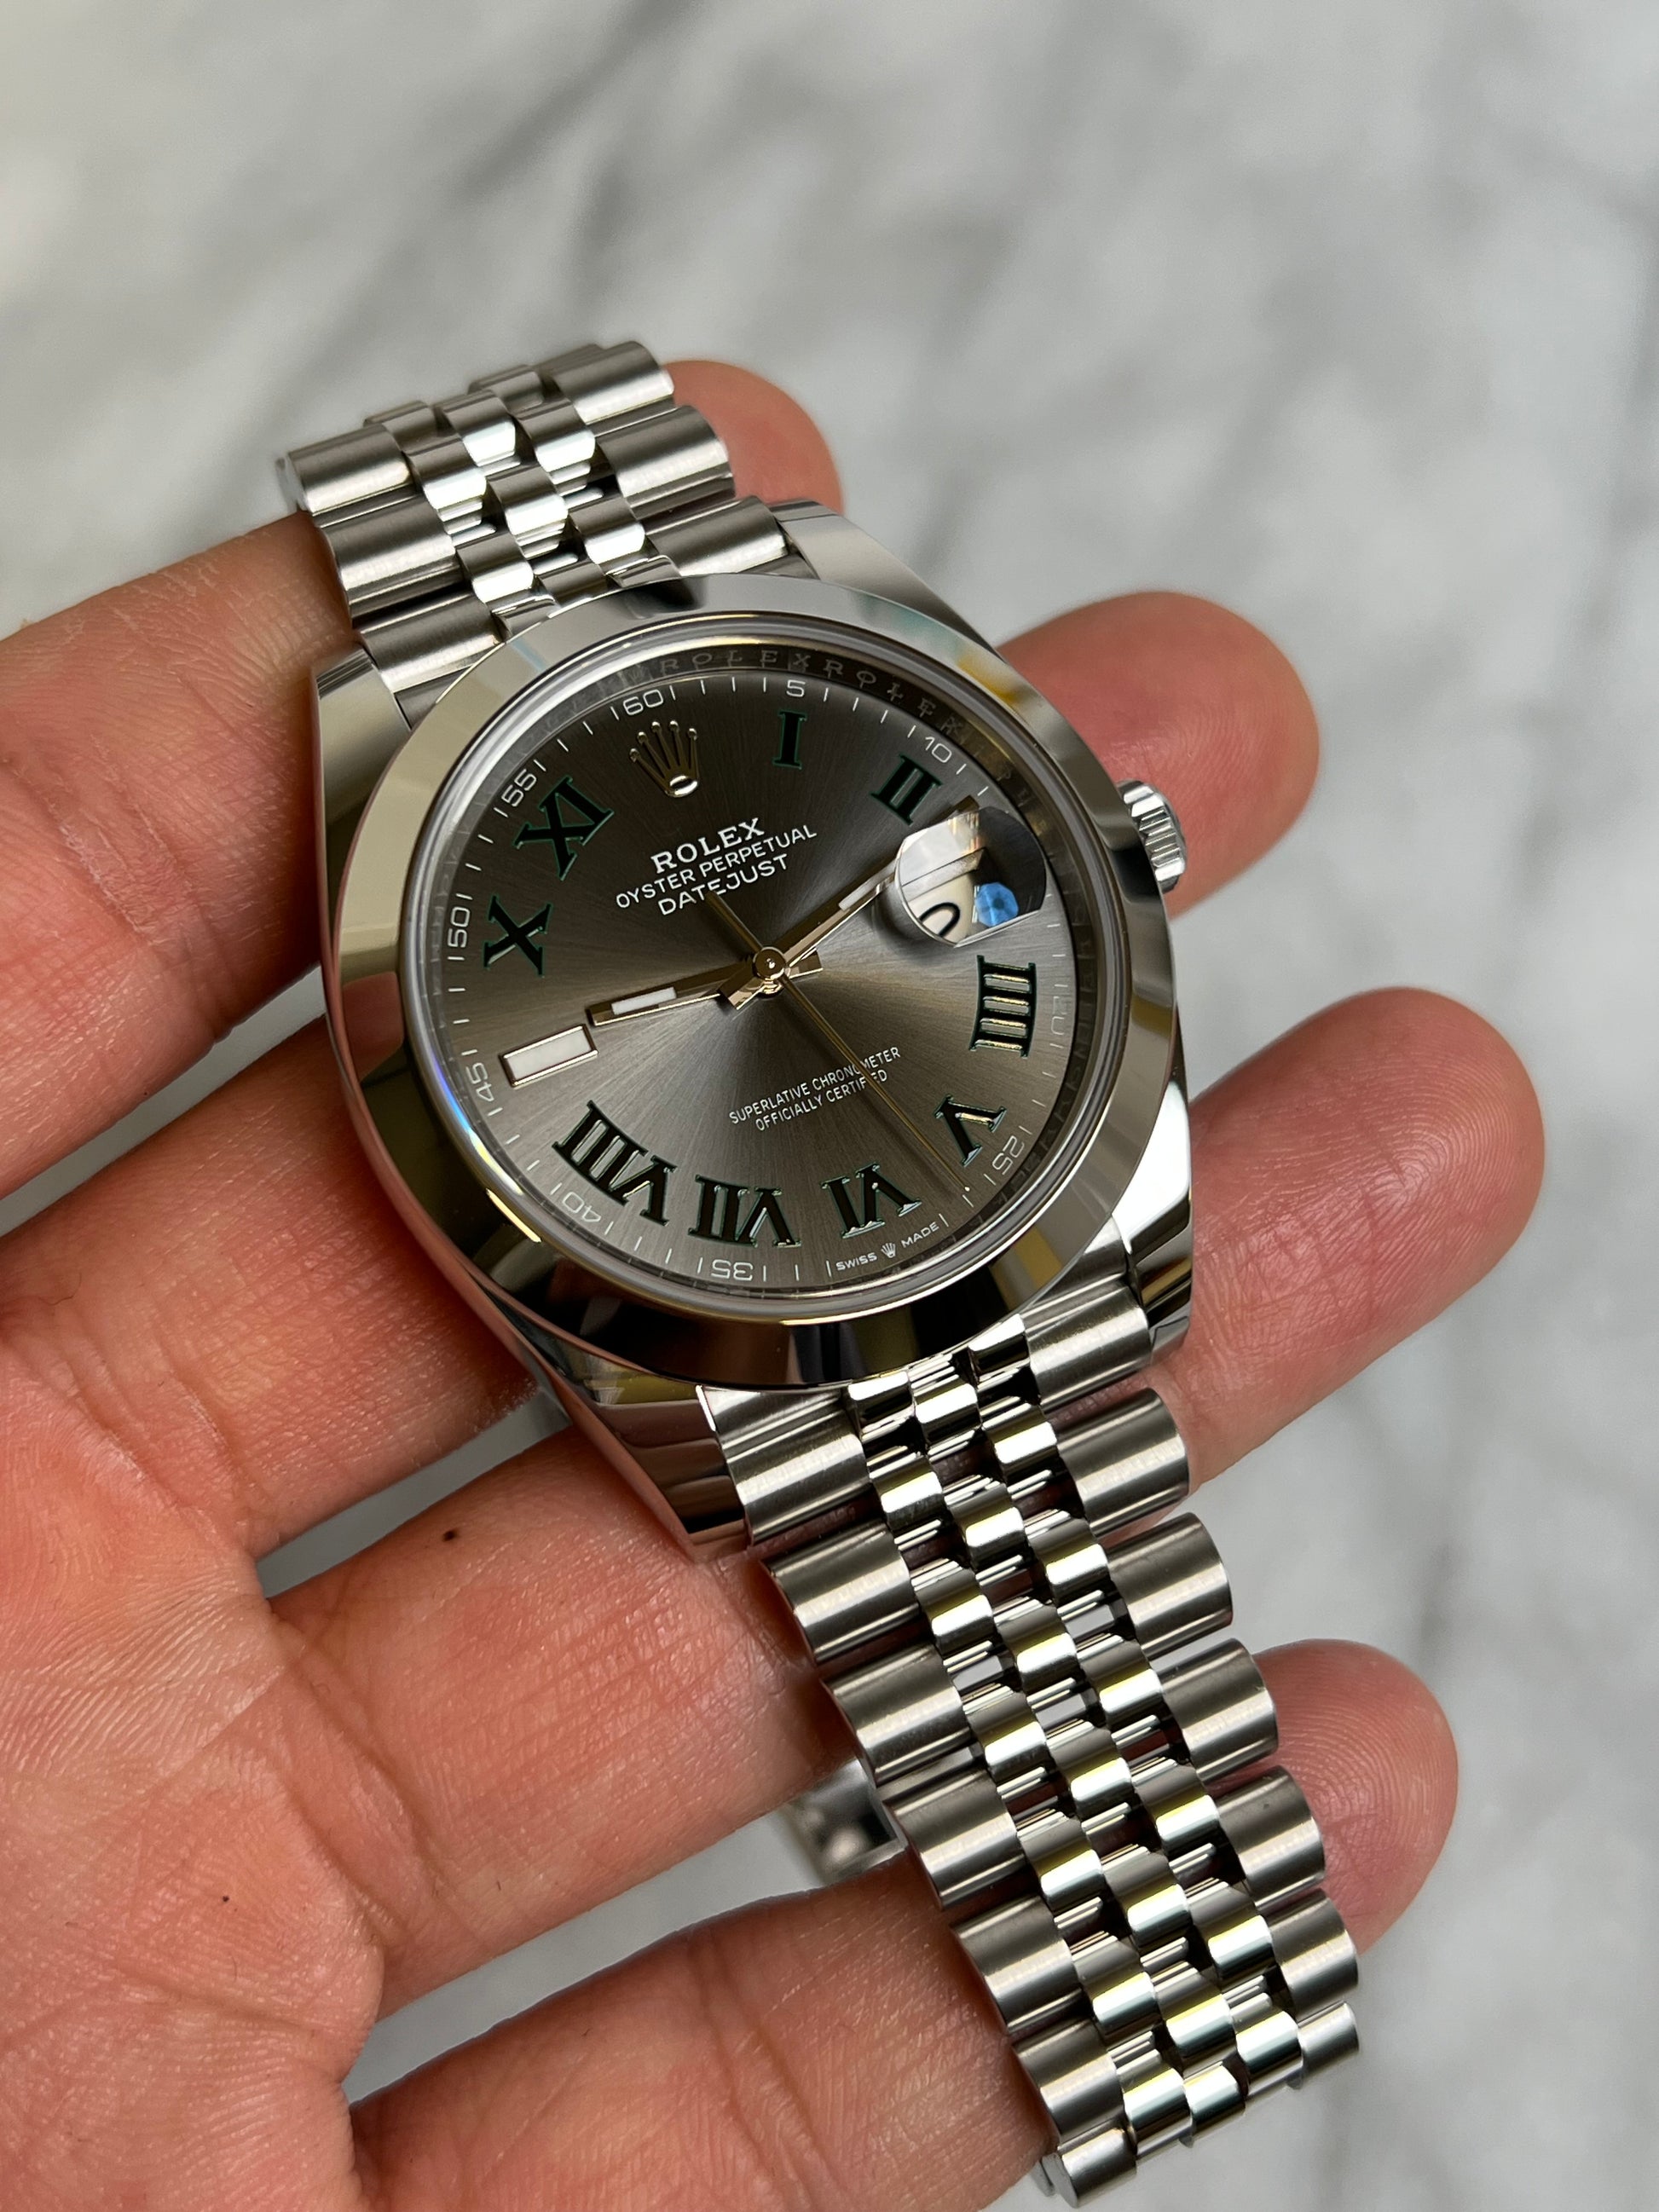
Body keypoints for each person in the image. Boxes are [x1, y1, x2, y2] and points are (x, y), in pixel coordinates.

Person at [0, 361, 1541, 2209]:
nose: (751, 983)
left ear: (1114, 841)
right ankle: (1073, 1888)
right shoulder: (420, 843)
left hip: (997, 1208)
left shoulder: (849, 673)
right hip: (749, 1328)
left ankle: (1086, 1894)